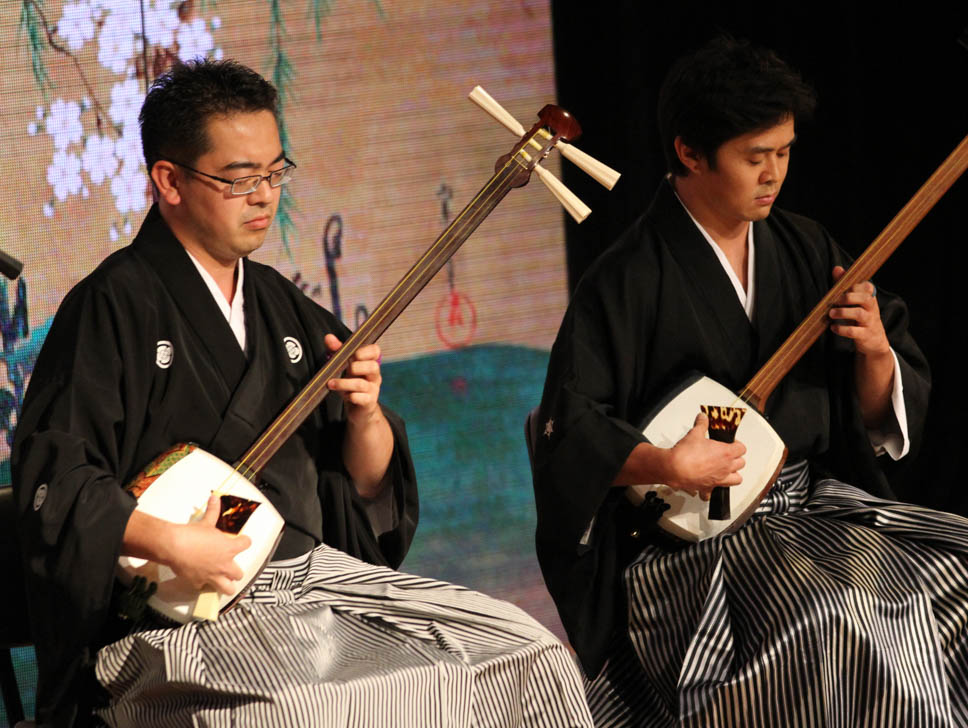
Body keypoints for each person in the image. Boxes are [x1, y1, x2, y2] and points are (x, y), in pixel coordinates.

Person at [531, 37, 968, 727]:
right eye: (755, 157)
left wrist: (872, 352)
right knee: (848, 611)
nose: (774, 174)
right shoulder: (628, 279)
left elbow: (871, 413)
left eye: (784, 152)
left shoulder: (805, 246)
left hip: (812, 507)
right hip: (694, 547)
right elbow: (568, 426)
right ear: (690, 153)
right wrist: (664, 461)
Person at [13, 59, 592, 728]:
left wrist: (365, 417)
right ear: (168, 181)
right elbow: (54, 484)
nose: (264, 196)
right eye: (239, 179)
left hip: (309, 581)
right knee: (299, 710)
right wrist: (172, 544)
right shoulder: (110, 307)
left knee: (525, 651)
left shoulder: (282, 308)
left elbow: (364, 496)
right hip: (182, 612)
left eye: (275, 173)